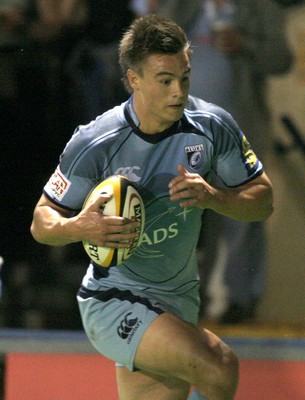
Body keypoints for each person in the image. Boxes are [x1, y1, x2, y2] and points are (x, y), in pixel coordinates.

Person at [31, 14, 274, 400]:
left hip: (179, 298)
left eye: (185, 77)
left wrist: (216, 197)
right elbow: (42, 223)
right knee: (219, 365)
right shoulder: (97, 142)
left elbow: (262, 201)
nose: (178, 91)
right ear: (133, 80)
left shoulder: (212, 126)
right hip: (114, 298)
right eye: (165, 80)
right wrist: (80, 227)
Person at [154, 0, 293, 323]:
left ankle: (242, 300)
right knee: (186, 215)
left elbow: (282, 59)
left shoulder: (259, 7)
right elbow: (153, 49)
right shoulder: (181, 7)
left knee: (244, 215)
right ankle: (186, 299)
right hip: (183, 132)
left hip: (241, 130)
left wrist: (245, 44)